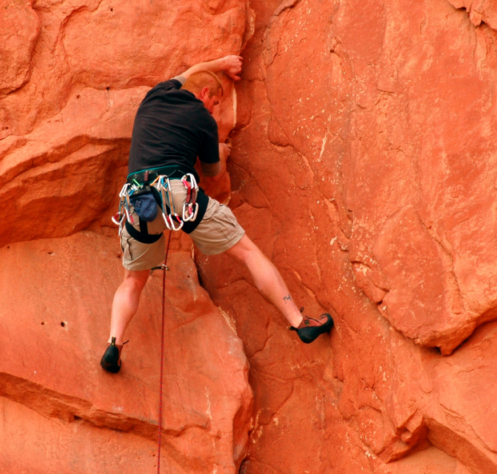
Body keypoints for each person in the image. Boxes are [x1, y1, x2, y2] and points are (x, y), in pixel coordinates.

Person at [102, 55, 334, 373]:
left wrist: (221, 63)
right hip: (178, 193)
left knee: (133, 280)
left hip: (136, 201)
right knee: (249, 253)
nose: (215, 110)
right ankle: (298, 320)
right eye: (215, 101)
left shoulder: (157, 93)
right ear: (205, 93)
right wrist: (220, 150)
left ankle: (113, 343)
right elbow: (212, 174)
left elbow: (188, 73)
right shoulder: (202, 119)